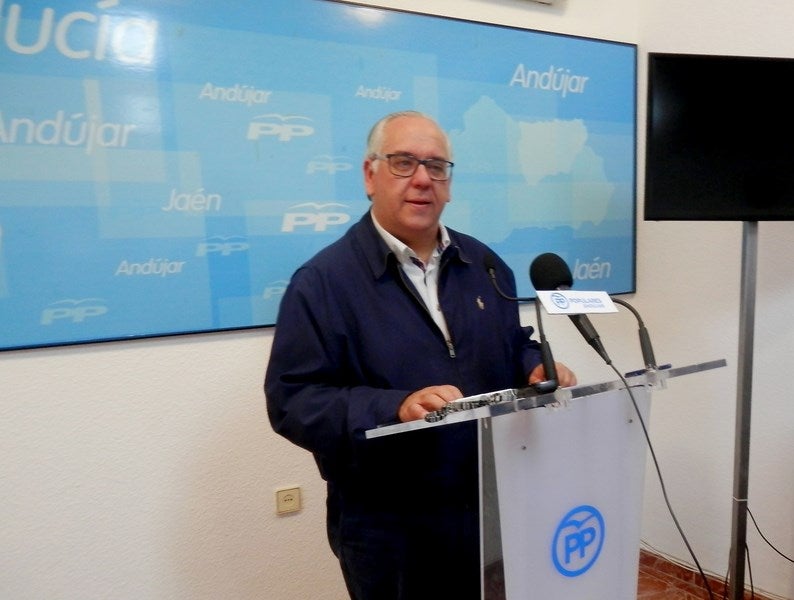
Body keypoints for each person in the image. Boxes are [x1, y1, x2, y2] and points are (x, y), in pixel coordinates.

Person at [265, 110, 577, 600]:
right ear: (370, 175)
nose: (422, 179)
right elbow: (294, 401)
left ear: (449, 184)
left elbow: (510, 340)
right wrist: (394, 407)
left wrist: (532, 364)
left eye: (436, 166)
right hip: (388, 526)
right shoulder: (322, 282)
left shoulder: (484, 264)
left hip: (489, 501)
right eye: (403, 162)